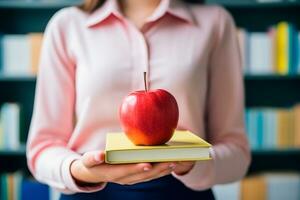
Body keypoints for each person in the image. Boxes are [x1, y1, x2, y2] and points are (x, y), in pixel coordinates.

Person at [26, 0, 251, 199]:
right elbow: (42, 147)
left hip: (182, 191)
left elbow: (237, 152)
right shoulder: (67, 26)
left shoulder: (215, 23)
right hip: (90, 193)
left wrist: (194, 164)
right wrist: (79, 170)